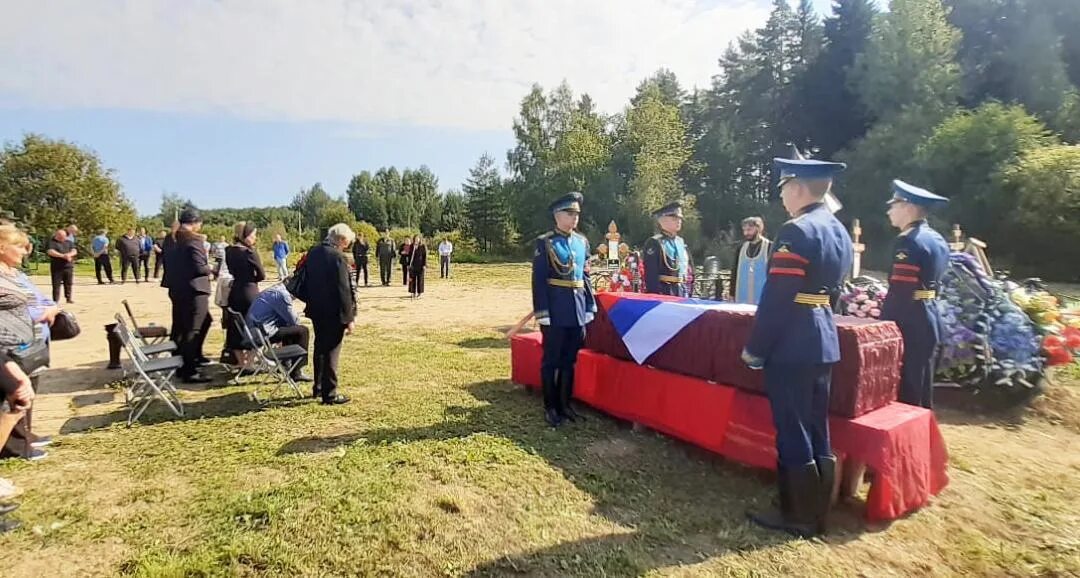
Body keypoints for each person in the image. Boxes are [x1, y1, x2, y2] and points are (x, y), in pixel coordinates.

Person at [740, 157, 852, 538]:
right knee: (817, 426)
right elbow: (834, 293)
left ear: (799, 188)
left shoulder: (796, 230)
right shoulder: (838, 231)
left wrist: (756, 348)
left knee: (791, 427)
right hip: (822, 338)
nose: (783, 196)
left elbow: (777, 299)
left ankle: (797, 514)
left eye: (785, 188)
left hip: (791, 341)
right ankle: (818, 510)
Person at [881, 180, 950, 409]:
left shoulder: (908, 243)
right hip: (928, 314)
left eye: (894, 205)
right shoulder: (936, 238)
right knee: (922, 388)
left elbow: (901, 292)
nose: (889, 210)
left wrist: (884, 326)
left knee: (907, 393)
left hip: (908, 320)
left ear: (908, 208)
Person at [532, 191, 596, 428]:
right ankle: (550, 406)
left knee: (570, 360)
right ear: (557, 215)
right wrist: (542, 312)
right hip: (556, 310)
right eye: (569, 213)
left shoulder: (582, 243)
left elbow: (585, 276)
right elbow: (539, 280)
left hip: (577, 309)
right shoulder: (545, 242)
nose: (574, 218)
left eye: (576, 214)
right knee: (551, 360)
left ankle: (565, 404)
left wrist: (590, 305)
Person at [303, 223, 356, 405]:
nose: (347, 246)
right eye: (347, 242)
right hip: (334, 312)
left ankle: (318, 387)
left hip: (317, 309)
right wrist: (349, 318)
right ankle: (330, 394)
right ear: (341, 240)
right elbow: (344, 291)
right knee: (332, 351)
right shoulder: (338, 257)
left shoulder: (314, 253)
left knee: (320, 348)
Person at [165, 209, 214, 383]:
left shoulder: (173, 239)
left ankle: (190, 357)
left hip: (178, 288)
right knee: (193, 329)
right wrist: (212, 269)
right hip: (194, 289)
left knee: (190, 324)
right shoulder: (193, 240)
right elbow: (199, 267)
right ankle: (189, 369)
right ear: (195, 222)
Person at [246, 284, 312, 382]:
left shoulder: (273, 291)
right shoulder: (282, 295)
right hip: (263, 333)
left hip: (254, 330)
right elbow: (294, 321)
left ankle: (286, 363)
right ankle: (297, 371)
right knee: (303, 331)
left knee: (289, 328)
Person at [224, 222, 266, 355]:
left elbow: (231, 270)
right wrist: (252, 279)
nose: (255, 238)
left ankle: (240, 360)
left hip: (235, 290)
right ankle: (251, 358)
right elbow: (262, 274)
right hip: (250, 292)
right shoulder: (249, 252)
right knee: (253, 325)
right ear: (245, 235)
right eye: (253, 235)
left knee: (236, 326)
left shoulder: (229, 250)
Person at [642, 201, 689, 297]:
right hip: (665, 293)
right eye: (674, 218)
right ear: (662, 220)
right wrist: (655, 298)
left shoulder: (680, 242)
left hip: (682, 292)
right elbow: (651, 276)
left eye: (680, 218)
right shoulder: (655, 242)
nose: (679, 221)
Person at [730, 216, 773, 305]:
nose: (746, 233)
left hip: (763, 298)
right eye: (744, 230)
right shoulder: (741, 248)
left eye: (749, 229)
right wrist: (731, 294)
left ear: (758, 228)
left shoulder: (770, 247)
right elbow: (734, 272)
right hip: (742, 297)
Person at [45, 228, 76, 304]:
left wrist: (69, 255)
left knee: (68, 283)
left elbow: (74, 250)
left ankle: (68, 298)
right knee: (56, 284)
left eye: (65, 236)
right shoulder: (52, 242)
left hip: (68, 266)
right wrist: (62, 256)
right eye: (62, 237)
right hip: (57, 267)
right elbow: (50, 251)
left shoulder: (69, 242)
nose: (64, 238)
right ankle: (55, 300)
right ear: (57, 235)